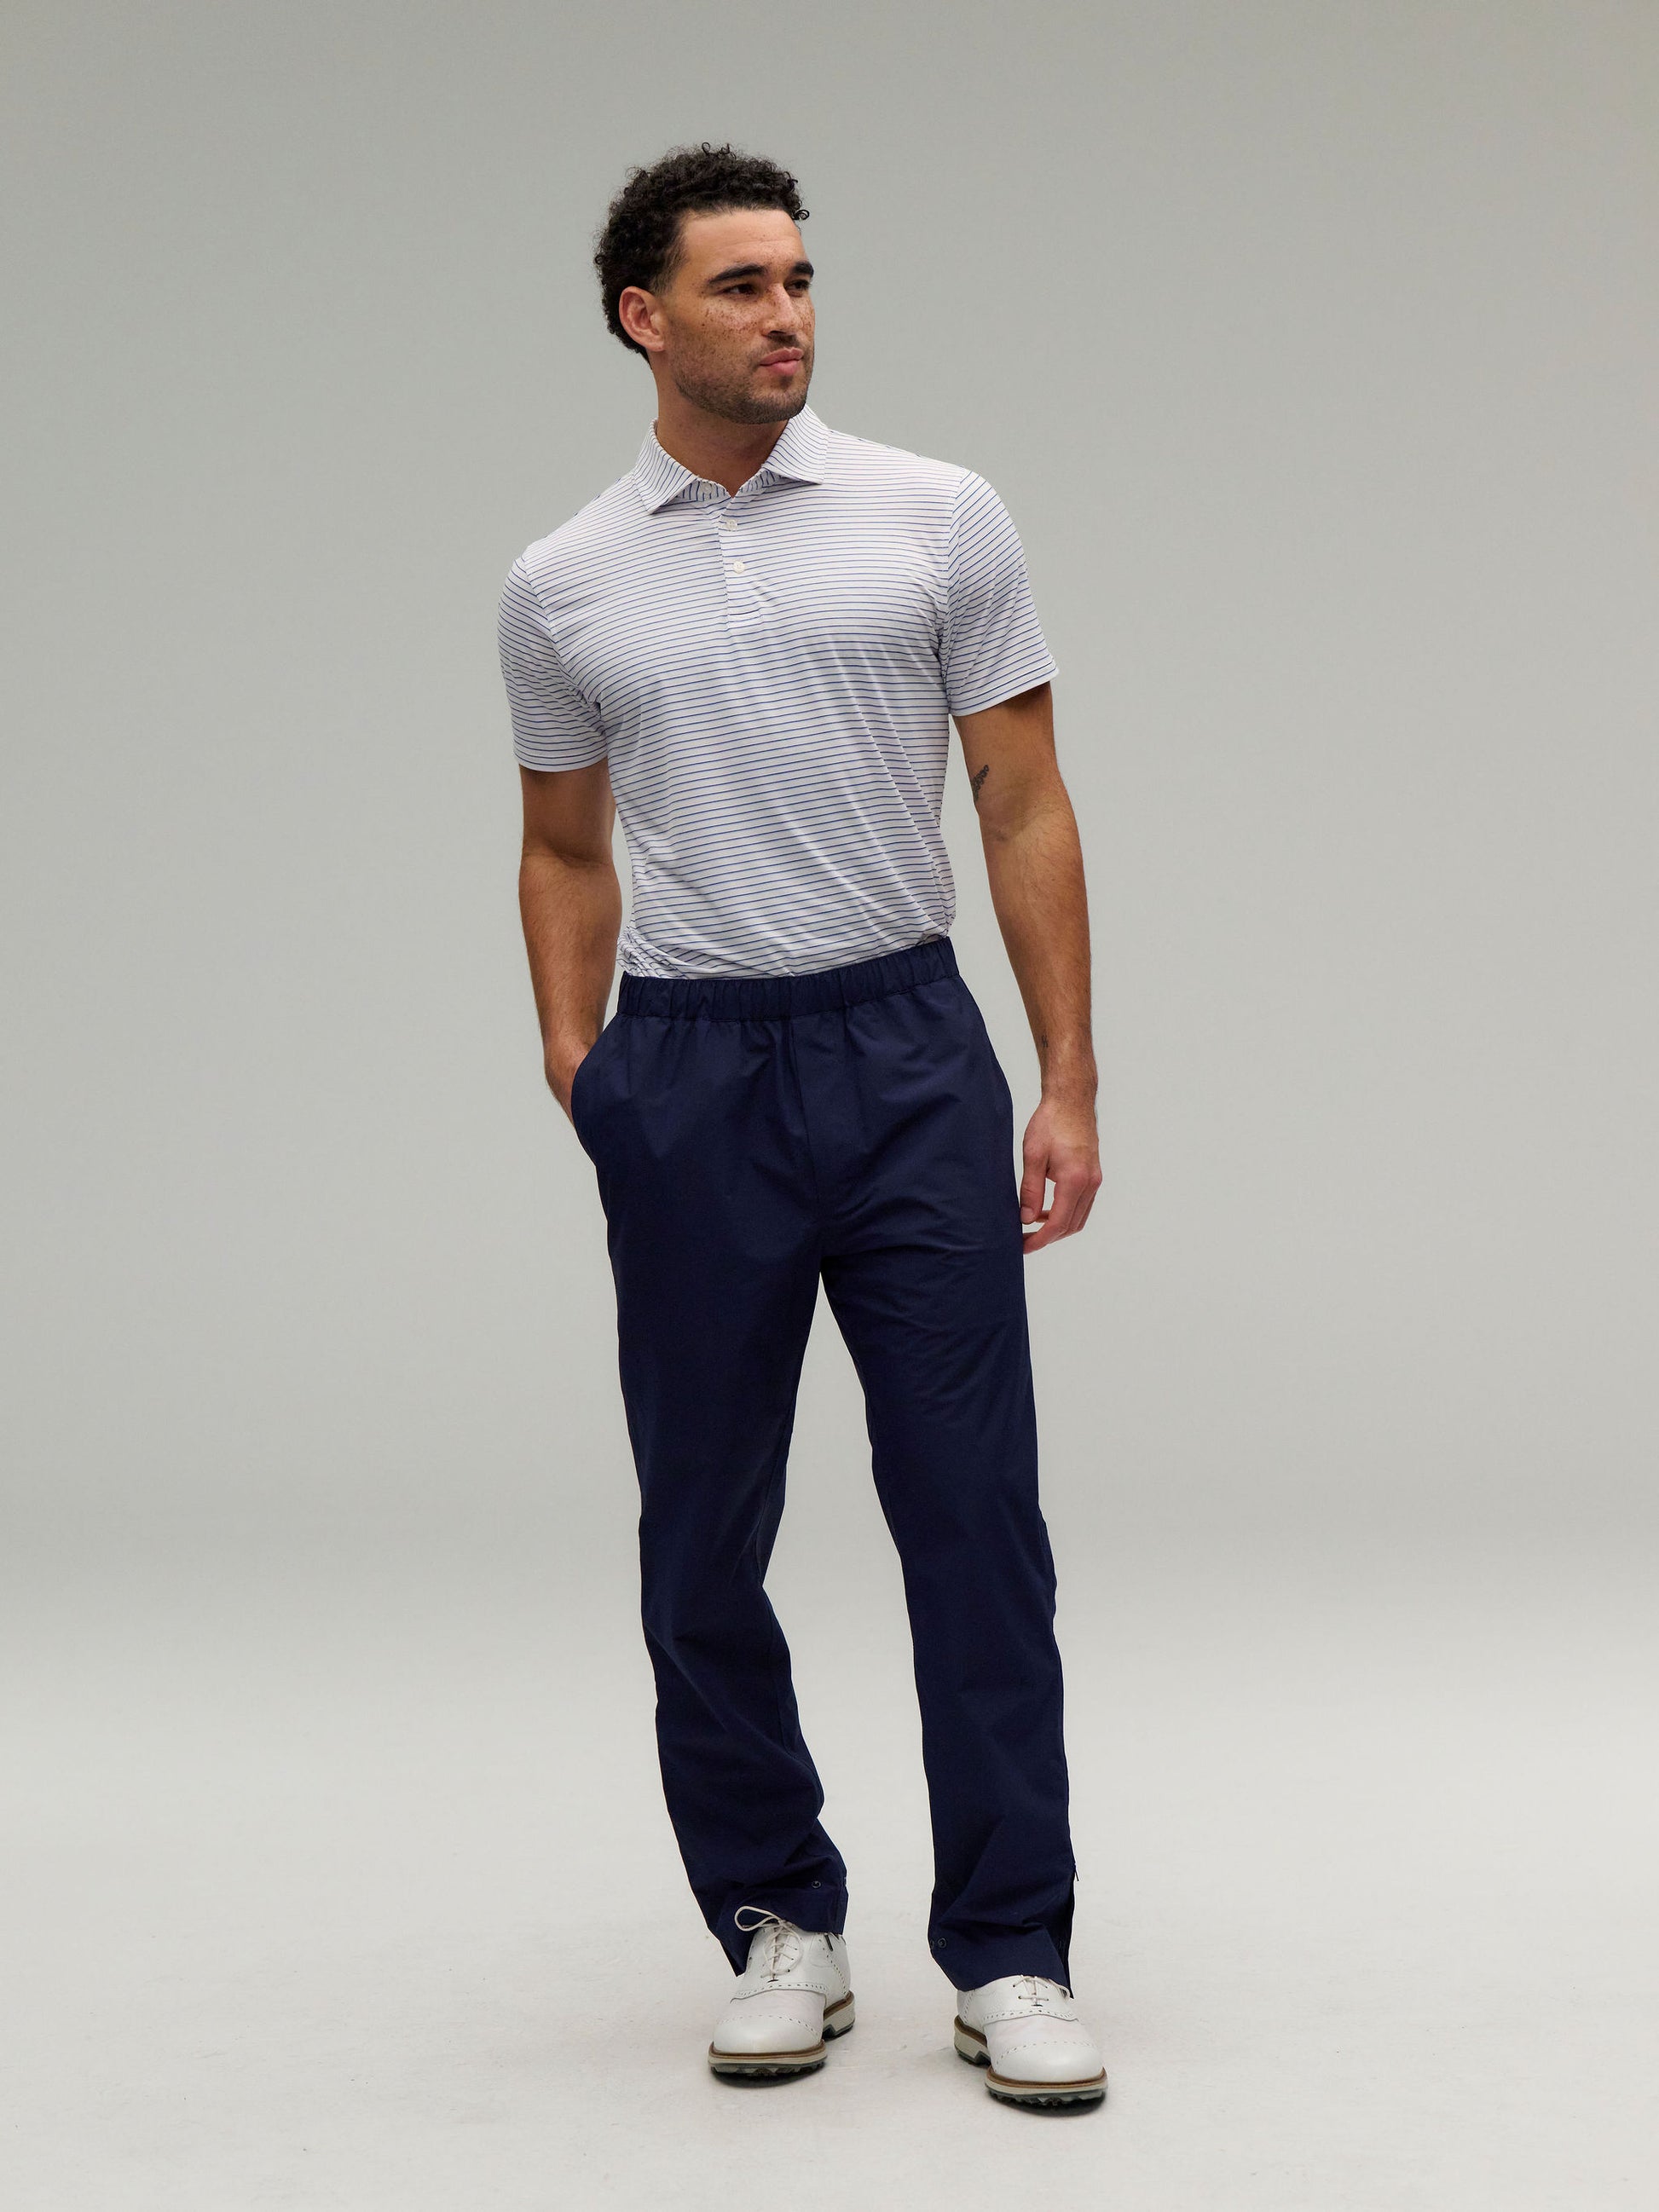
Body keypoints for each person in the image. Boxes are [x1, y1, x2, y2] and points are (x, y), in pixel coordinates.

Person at [497, 142, 1106, 2110]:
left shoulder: (937, 516)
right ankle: (777, 1916)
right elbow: (561, 844)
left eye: (800, 279)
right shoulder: (564, 581)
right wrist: (581, 1061)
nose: (787, 315)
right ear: (642, 316)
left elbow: (1021, 796)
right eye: (742, 285)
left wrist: (1066, 1073)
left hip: (905, 1051)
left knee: (973, 1514)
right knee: (702, 1525)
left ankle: (1010, 1945)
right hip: (691, 1074)